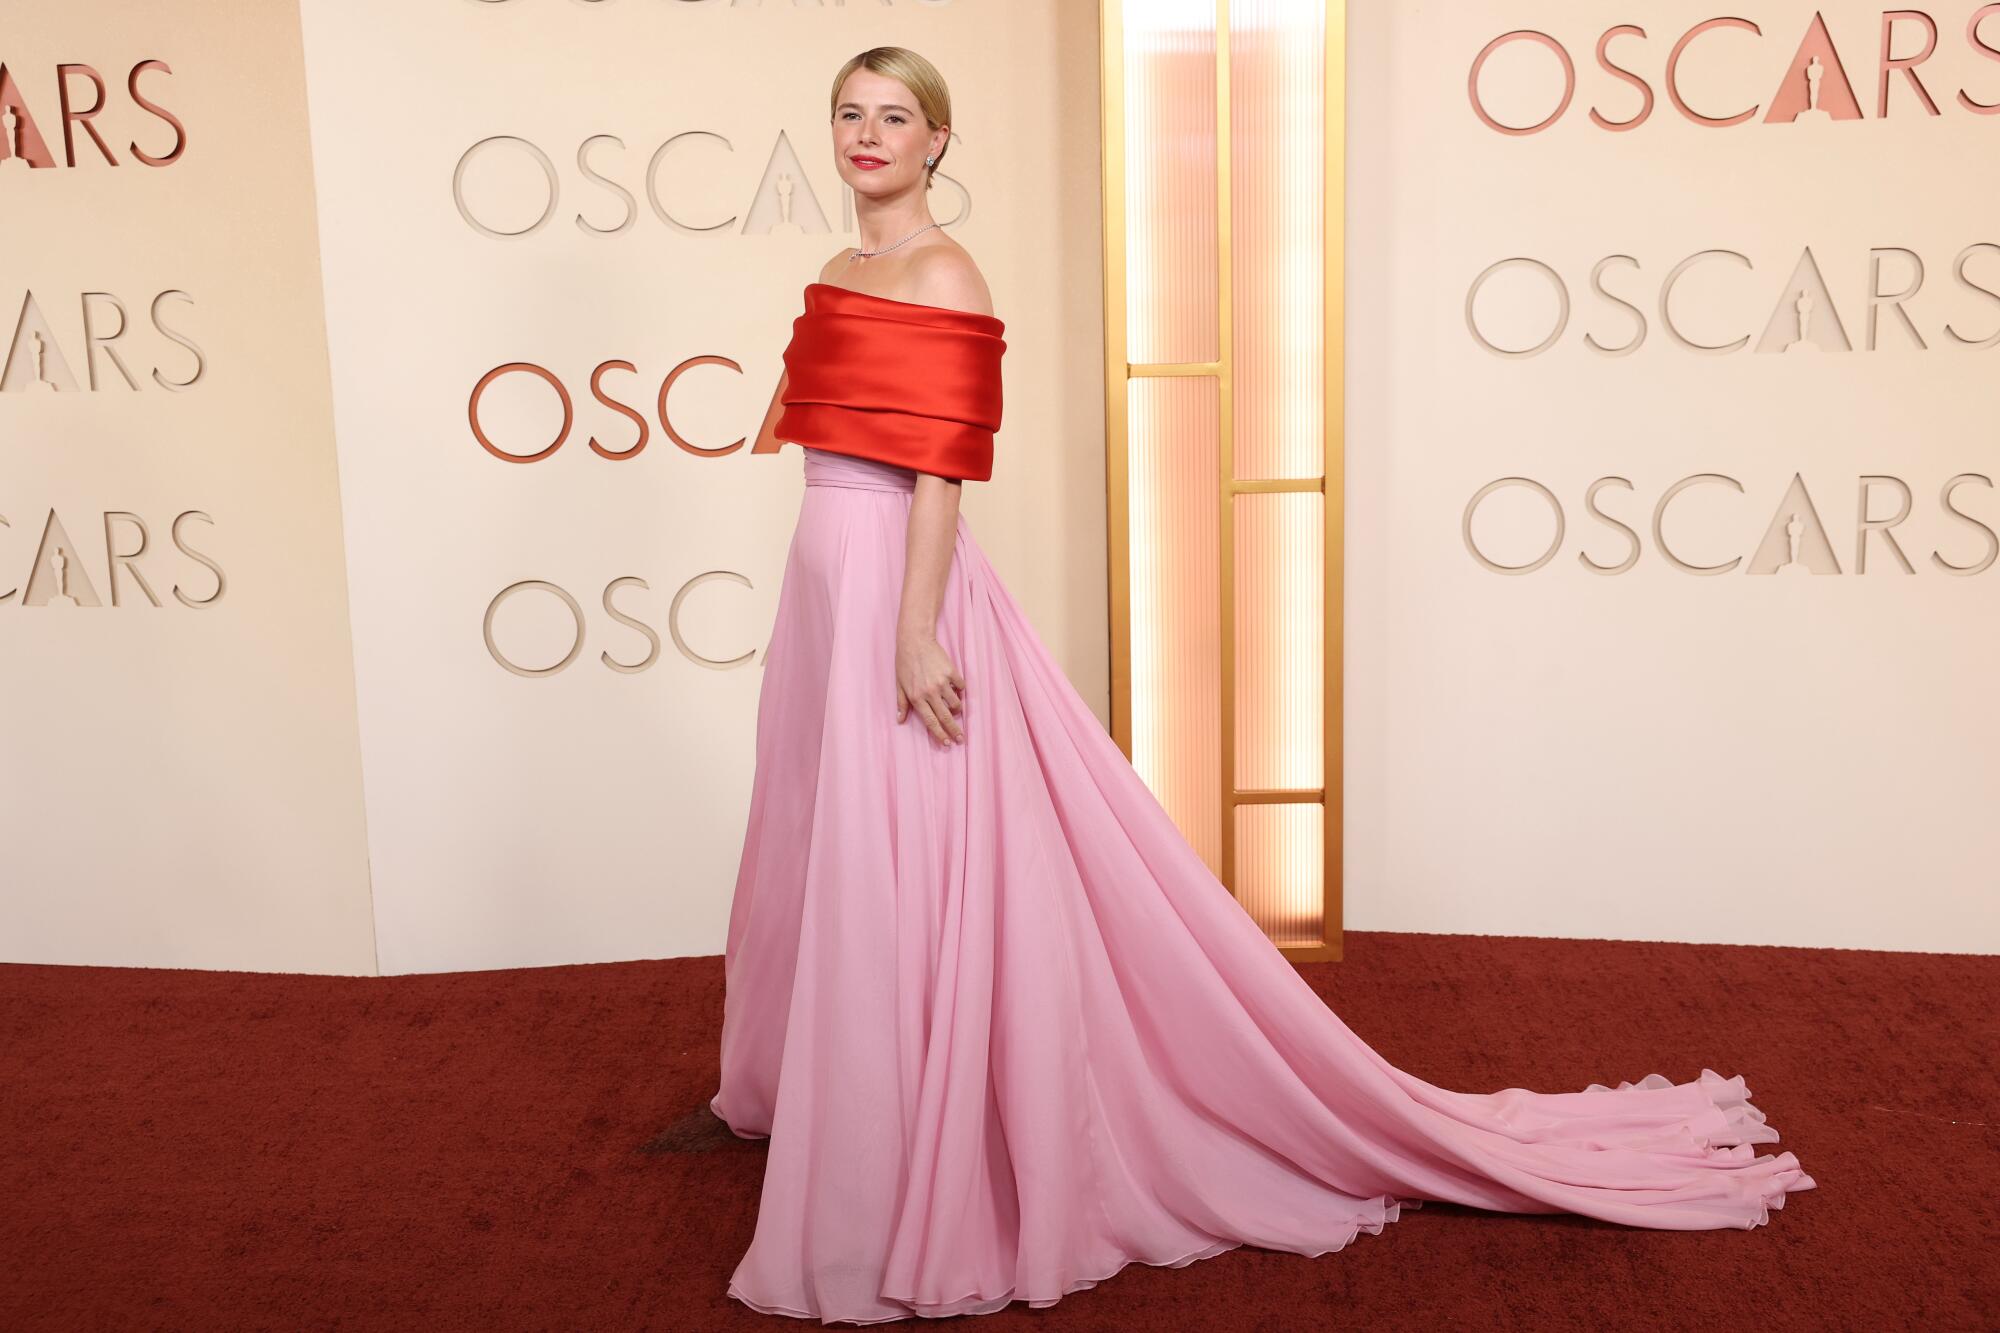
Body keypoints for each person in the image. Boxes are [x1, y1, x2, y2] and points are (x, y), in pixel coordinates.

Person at [709, 45, 1815, 1326]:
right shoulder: (838, 270)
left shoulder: (943, 267)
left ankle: (920, 1140)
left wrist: (913, 630)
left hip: (896, 583)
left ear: (937, 142)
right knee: (833, 845)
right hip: (823, 583)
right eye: (849, 113)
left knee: (910, 852)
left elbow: (940, 473)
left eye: (894, 117)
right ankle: (855, 1105)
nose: (867, 135)